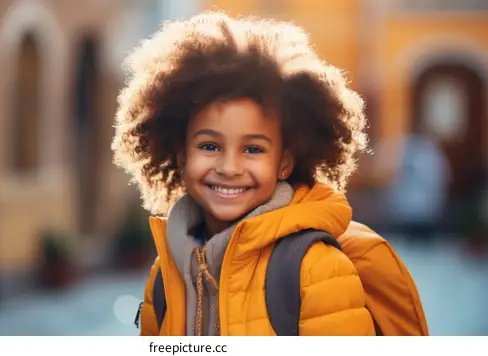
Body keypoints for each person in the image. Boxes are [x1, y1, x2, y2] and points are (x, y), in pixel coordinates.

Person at [111, 11, 377, 336]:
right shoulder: (165, 273)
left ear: (284, 163)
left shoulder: (316, 270)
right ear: (181, 155)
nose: (229, 168)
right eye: (209, 146)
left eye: (253, 149)